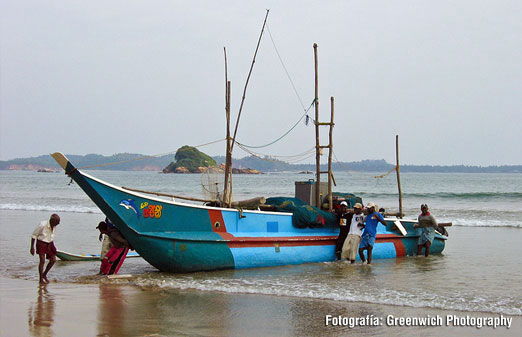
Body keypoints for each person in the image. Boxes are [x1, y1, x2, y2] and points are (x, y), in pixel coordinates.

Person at [30, 214, 60, 284]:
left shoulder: (54, 225)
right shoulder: (42, 225)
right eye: (57, 222)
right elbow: (34, 236)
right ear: (52, 221)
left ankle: (44, 274)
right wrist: (32, 247)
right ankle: (40, 279)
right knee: (42, 261)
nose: (59, 223)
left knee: (53, 260)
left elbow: (51, 235)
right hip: (41, 243)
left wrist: (51, 245)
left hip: (50, 243)